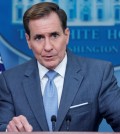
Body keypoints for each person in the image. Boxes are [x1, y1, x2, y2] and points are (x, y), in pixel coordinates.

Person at [0, 2, 120, 132]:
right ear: (28, 40)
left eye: (54, 35)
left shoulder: (98, 74)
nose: (48, 47)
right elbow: (3, 125)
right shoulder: (9, 81)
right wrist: (9, 131)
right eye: (39, 38)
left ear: (66, 35)